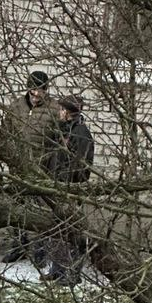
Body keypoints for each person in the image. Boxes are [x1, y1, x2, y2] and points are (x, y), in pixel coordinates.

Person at [1, 68, 60, 265]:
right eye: (32, 91)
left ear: (46, 90)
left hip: (41, 170)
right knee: (16, 207)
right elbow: (5, 133)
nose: (36, 96)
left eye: (40, 92)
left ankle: (40, 249)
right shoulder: (16, 107)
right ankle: (19, 244)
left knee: (40, 211)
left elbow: (59, 142)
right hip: (17, 169)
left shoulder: (54, 110)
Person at [42, 94, 95, 287]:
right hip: (57, 187)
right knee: (58, 231)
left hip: (70, 189)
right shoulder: (62, 131)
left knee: (73, 232)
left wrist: (69, 185)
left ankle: (73, 273)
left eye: (61, 109)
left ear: (67, 112)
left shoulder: (80, 134)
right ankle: (57, 270)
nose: (59, 113)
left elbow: (81, 166)